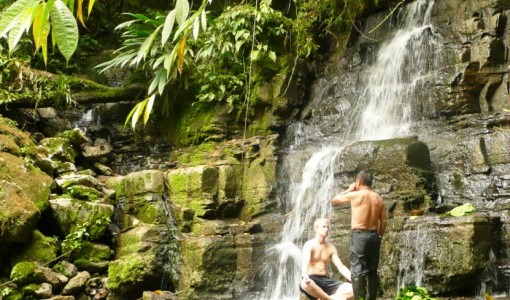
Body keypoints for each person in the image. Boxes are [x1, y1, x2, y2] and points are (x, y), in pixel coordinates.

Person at [331, 170, 387, 300]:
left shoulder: (355, 195)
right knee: (372, 270)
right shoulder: (378, 198)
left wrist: (349, 190)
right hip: (374, 236)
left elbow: (334, 200)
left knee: (357, 270)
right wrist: (379, 236)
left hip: (359, 235)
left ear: (359, 182)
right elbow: (383, 221)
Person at [300, 218, 353, 300]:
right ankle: (330, 299)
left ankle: (324, 298)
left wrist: (352, 279)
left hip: (326, 280)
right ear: (316, 229)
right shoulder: (309, 244)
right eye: (324, 227)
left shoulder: (331, 248)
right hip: (312, 279)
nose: (326, 229)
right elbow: (305, 262)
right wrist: (305, 275)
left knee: (353, 288)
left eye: (328, 227)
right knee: (304, 284)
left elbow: (341, 267)